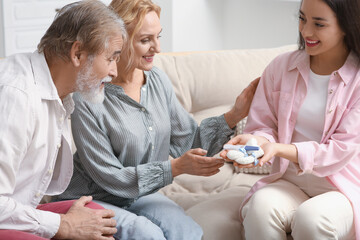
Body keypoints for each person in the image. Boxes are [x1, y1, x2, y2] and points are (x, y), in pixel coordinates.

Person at [54, 0, 259, 239]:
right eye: (145, 40)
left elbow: (189, 142)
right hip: (91, 197)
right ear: (117, 41)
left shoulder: (158, 81)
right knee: (146, 234)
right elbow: (110, 178)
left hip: (140, 195)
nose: (157, 48)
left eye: (158, 37)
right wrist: (174, 168)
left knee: (188, 232)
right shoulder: (87, 95)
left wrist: (234, 114)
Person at [221, 0, 360, 239]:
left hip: (342, 187)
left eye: (319, 24)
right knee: (260, 208)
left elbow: (340, 149)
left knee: (312, 219)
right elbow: (264, 125)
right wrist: (255, 142)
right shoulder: (280, 67)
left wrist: (279, 149)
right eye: (302, 18)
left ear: (346, 26)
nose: (306, 31)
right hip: (289, 181)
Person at [0, 1, 127, 239]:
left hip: (17, 210)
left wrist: (66, 222)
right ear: (77, 53)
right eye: (111, 58)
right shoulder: (16, 96)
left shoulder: (61, 95)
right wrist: (63, 225)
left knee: (98, 218)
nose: (114, 72)